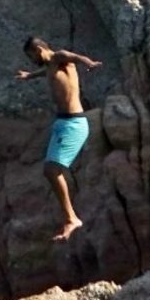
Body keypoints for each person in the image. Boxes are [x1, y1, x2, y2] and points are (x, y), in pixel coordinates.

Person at [15, 36, 102, 241]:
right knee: (49, 171)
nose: (32, 61)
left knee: (52, 171)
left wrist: (87, 62)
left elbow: (72, 56)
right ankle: (70, 218)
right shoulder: (50, 66)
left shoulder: (58, 57)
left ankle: (72, 219)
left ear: (38, 49)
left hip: (73, 124)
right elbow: (45, 71)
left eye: (31, 57)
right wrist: (29, 76)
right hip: (62, 123)